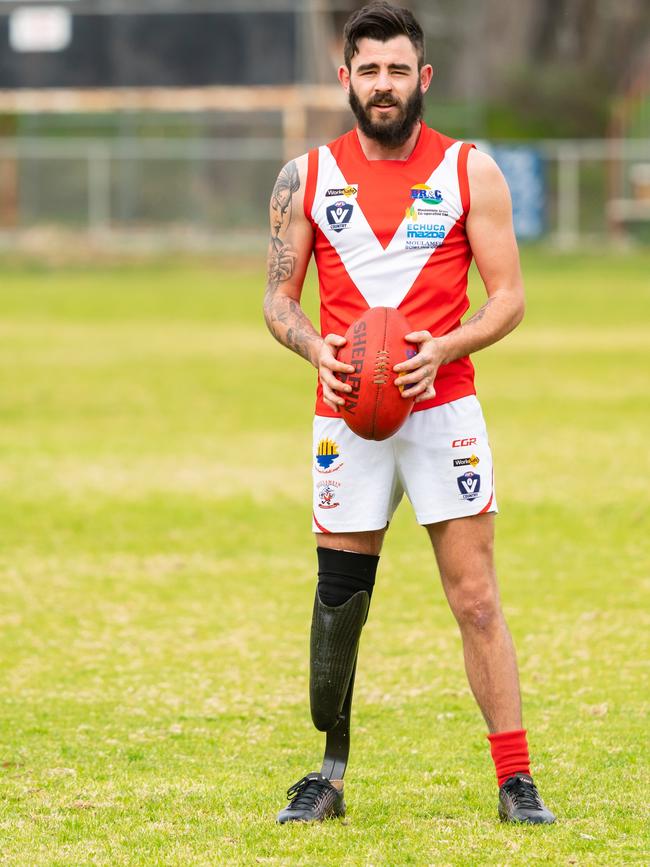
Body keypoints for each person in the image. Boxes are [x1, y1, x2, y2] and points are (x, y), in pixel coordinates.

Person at [263, 0, 555, 826]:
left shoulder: (470, 171)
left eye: (398, 70)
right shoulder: (305, 178)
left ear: (422, 78)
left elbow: (510, 298)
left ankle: (516, 778)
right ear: (344, 77)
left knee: (475, 598)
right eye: (369, 70)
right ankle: (328, 776)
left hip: (444, 410)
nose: (383, 86)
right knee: (339, 605)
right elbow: (277, 299)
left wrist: (448, 347)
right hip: (345, 415)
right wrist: (313, 345)